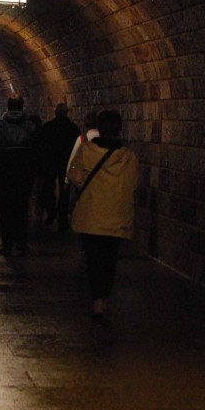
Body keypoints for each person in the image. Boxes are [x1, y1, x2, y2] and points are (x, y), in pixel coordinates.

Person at [67, 109, 138, 317]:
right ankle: (103, 298)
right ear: (119, 128)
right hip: (116, 216)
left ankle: (96, 297)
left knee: (92, 259)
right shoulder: (129, 157)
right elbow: (133, 184)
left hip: (91, 215)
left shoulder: (87, 151)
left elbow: (75, 177)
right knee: (110, 259)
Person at [0, 96, 38, 256]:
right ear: (22, 107)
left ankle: (6, 243)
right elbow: (36, 151)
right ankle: (22, 242)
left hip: (3, 174)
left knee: (5, 208)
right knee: (21, 207)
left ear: (7, 107)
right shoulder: (30, 127)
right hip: (23, 173)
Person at [39, 102, 80, 232]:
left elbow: (42, 145)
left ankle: (51, 213)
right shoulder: (73, 129)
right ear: (67, 112)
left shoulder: (48, 127)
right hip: (66, 163)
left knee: (48, 188)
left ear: (55, 112)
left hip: (50, 162)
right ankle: (63, 218)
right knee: (64, 191)